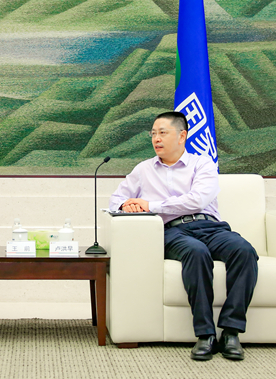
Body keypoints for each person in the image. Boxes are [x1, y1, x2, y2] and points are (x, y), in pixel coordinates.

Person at [109, 111, 258, 361]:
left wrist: (150, 205)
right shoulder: (143, 169)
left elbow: (197, 200)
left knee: (244, 251)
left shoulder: (203, 164)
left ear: (182, 136)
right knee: (196, 252)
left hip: (210, 227)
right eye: (153, 134)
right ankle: (205, 334)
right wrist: (128, 205)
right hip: (172, 231)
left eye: (162, 133)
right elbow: (116, 199)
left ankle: (231, 331)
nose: (156, 139)